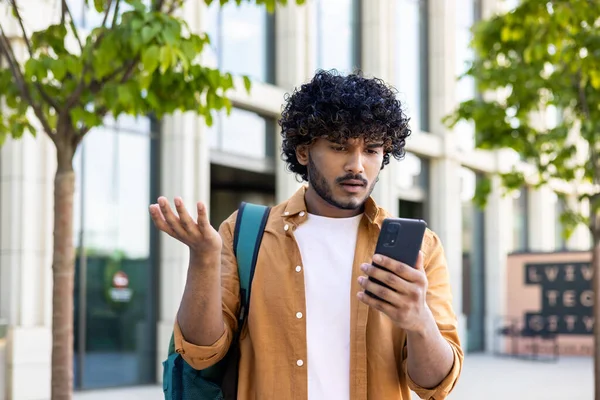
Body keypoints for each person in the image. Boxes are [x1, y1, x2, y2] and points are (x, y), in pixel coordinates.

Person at [149, 70, 463, 400]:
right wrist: (204, 259)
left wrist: (420, 323)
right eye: (340, 147)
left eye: (371, 150)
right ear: (303, 152)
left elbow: (436, 385)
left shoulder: (421, 248)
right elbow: (201, 353)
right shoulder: (246, 233)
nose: (357, 165)